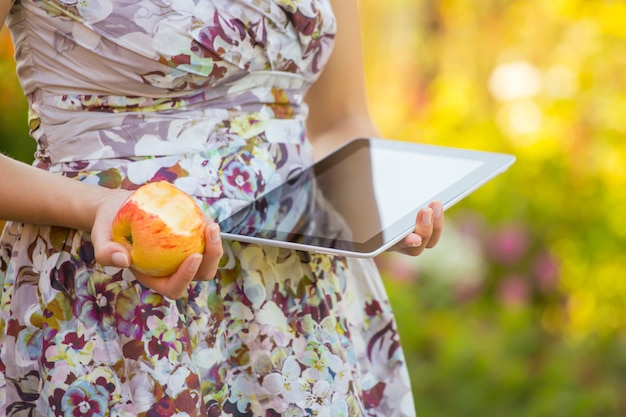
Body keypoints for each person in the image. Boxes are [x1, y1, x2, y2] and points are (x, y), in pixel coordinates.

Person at [0, 0, 444, 415]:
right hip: (118, 290)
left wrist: (381, 216)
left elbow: (342, 121)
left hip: (300, 303)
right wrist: (95, 205)